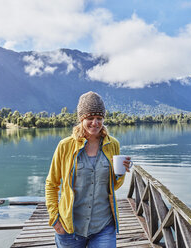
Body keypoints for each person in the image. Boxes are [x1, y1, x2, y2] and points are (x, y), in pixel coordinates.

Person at [45, 91, 131, 248]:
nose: (95, 123)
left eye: (99, 118)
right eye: (90, 118)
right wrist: (55, 220)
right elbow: (51, 184)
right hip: (70, 228)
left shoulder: (113, 145)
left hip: (103, 226)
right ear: (81, 119)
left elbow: (113, 186)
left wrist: (120, 174)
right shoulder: (65, 146)